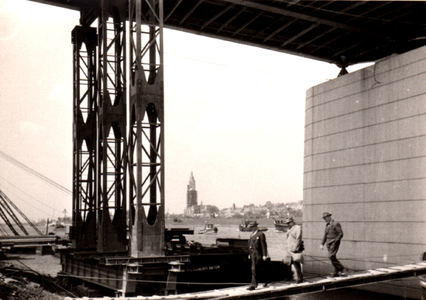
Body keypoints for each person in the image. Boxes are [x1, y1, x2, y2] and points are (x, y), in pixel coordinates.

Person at [320, 212, 345, 277]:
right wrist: (322, 243)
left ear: (329, 217)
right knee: (332, 257)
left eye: (325, 218)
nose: (325, 220)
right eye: (324, 219)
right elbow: (325, 235)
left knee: (330, 256)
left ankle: (341, 268)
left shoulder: (336, 223)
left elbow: (340, 234)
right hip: (328, 243)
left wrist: (336, 240)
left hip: (334, 242)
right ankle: (336, 271)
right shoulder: (327, 225)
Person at [247, 221, 269, 290]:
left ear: (256, 226)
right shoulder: (252, 235)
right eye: (251, 227)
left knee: (254, 268)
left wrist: (264, 255)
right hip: (252, 254)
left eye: (252, 227)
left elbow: (263, 245)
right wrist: (249, 254)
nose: (251, 228)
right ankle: (266, 280)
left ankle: (253, 285)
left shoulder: (260, 234)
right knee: (256, 268)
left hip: (258, 254)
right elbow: (250, 245)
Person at [285, 217, 303, 283]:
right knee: (287, 262)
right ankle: (290, 275)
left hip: (294, 248)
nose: (288, 224)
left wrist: (295, 248)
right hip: (289, 248)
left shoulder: (297, 228)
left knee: (296, 262)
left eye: (289, 223)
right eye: (287, 223)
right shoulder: (289, 229)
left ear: (293, 222)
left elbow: (298, 239)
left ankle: (300, 278)